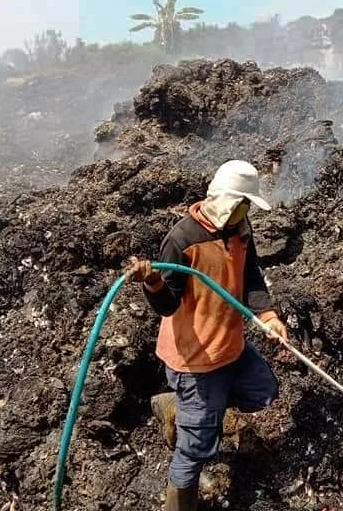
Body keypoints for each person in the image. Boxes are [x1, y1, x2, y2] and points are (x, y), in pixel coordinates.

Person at [125, 159, 288, 511]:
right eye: (245, 203)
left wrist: (268, 315)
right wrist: (152, 281)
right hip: (196, 360)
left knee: (263, 392)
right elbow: (167, 306)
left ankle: (178, 408)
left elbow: (251, 277)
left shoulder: (240, 229)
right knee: (196, 450)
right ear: (228, 201)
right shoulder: (182, 240)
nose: (248, 211)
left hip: (231, 346)